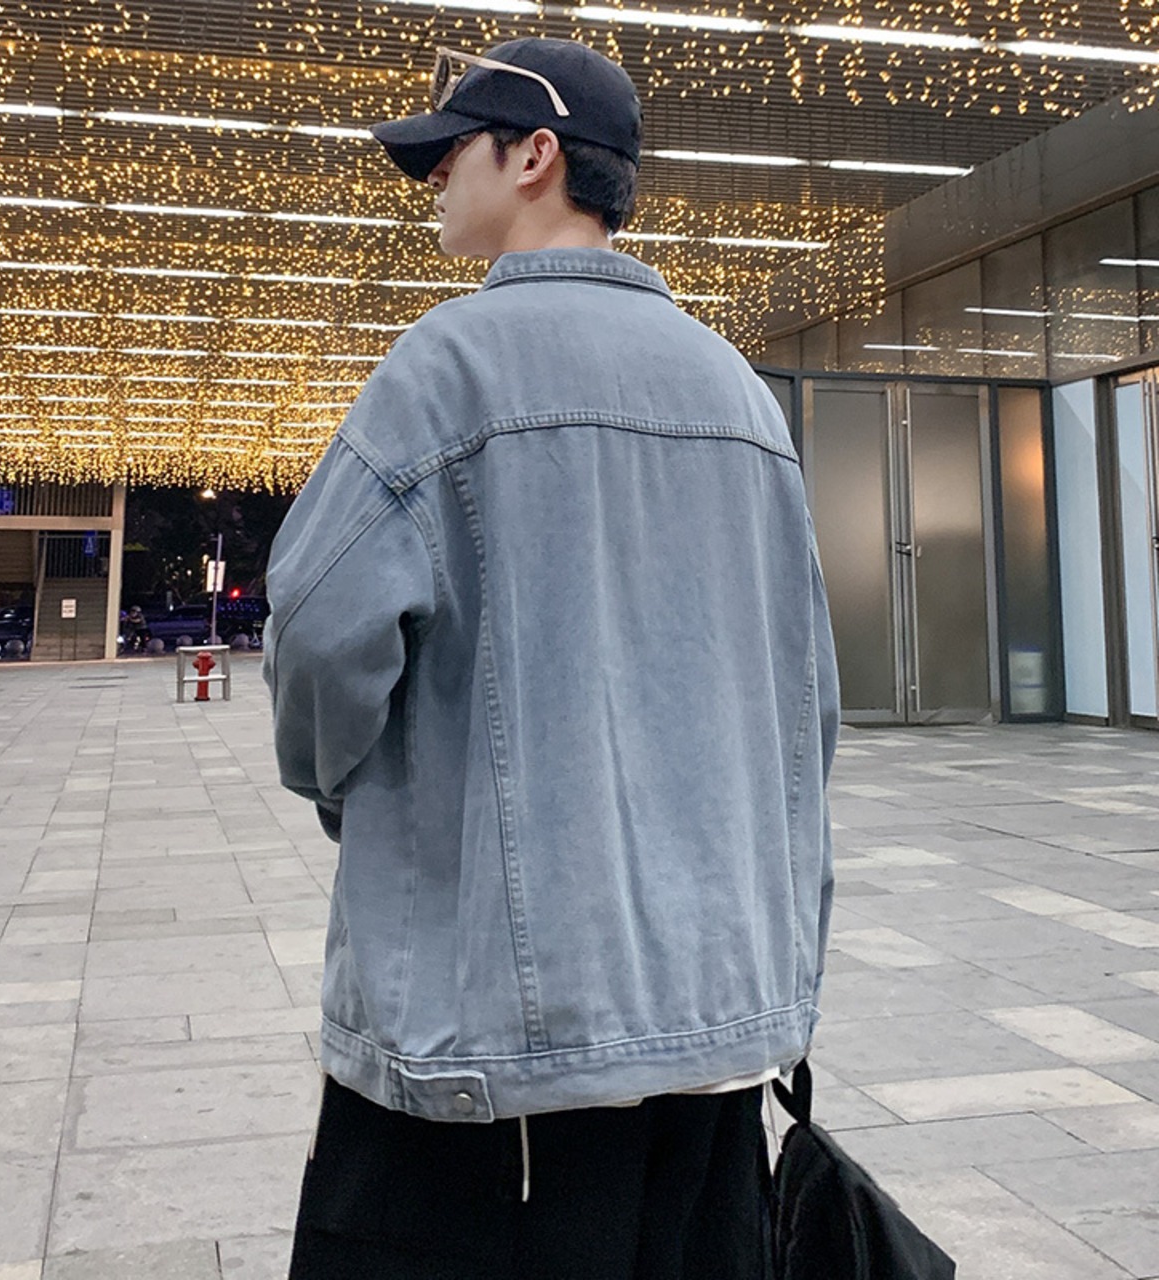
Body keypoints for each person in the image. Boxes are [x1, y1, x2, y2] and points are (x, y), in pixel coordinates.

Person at [263, 36, 839, 1280]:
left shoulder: (445, 367)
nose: (430, 179)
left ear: (534, 156)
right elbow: (809, 704)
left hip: (493, 1063)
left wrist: (337, 786)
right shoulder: (741, 393)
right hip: (716, 1039)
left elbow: (315, 623)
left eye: (447, 151)